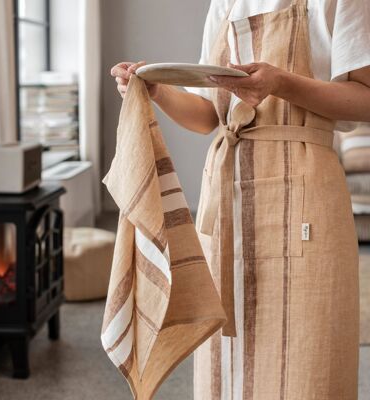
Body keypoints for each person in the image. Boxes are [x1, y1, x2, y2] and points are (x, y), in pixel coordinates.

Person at [111, 0, 370, 399]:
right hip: (227, 194)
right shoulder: (226, 3)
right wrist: (158, 90)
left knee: (309, 362)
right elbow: (207, 116)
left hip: (306, 197)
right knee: (227, 365)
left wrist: (282, 84)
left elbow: (365, 99)